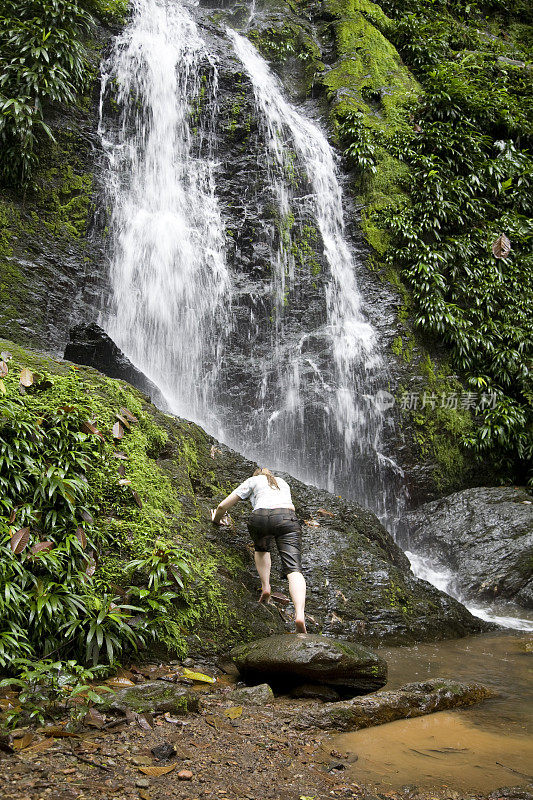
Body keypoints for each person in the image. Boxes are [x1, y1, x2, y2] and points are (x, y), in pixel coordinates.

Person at [211, 468, 307, 633]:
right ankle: (299, 615)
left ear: (257, 475)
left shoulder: (252, 481)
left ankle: (266, 587)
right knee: (294, 569)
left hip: (259, 518)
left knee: (261, 548)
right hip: (286, 518)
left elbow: (222, 506)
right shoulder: (282, 483)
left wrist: (215, 519)